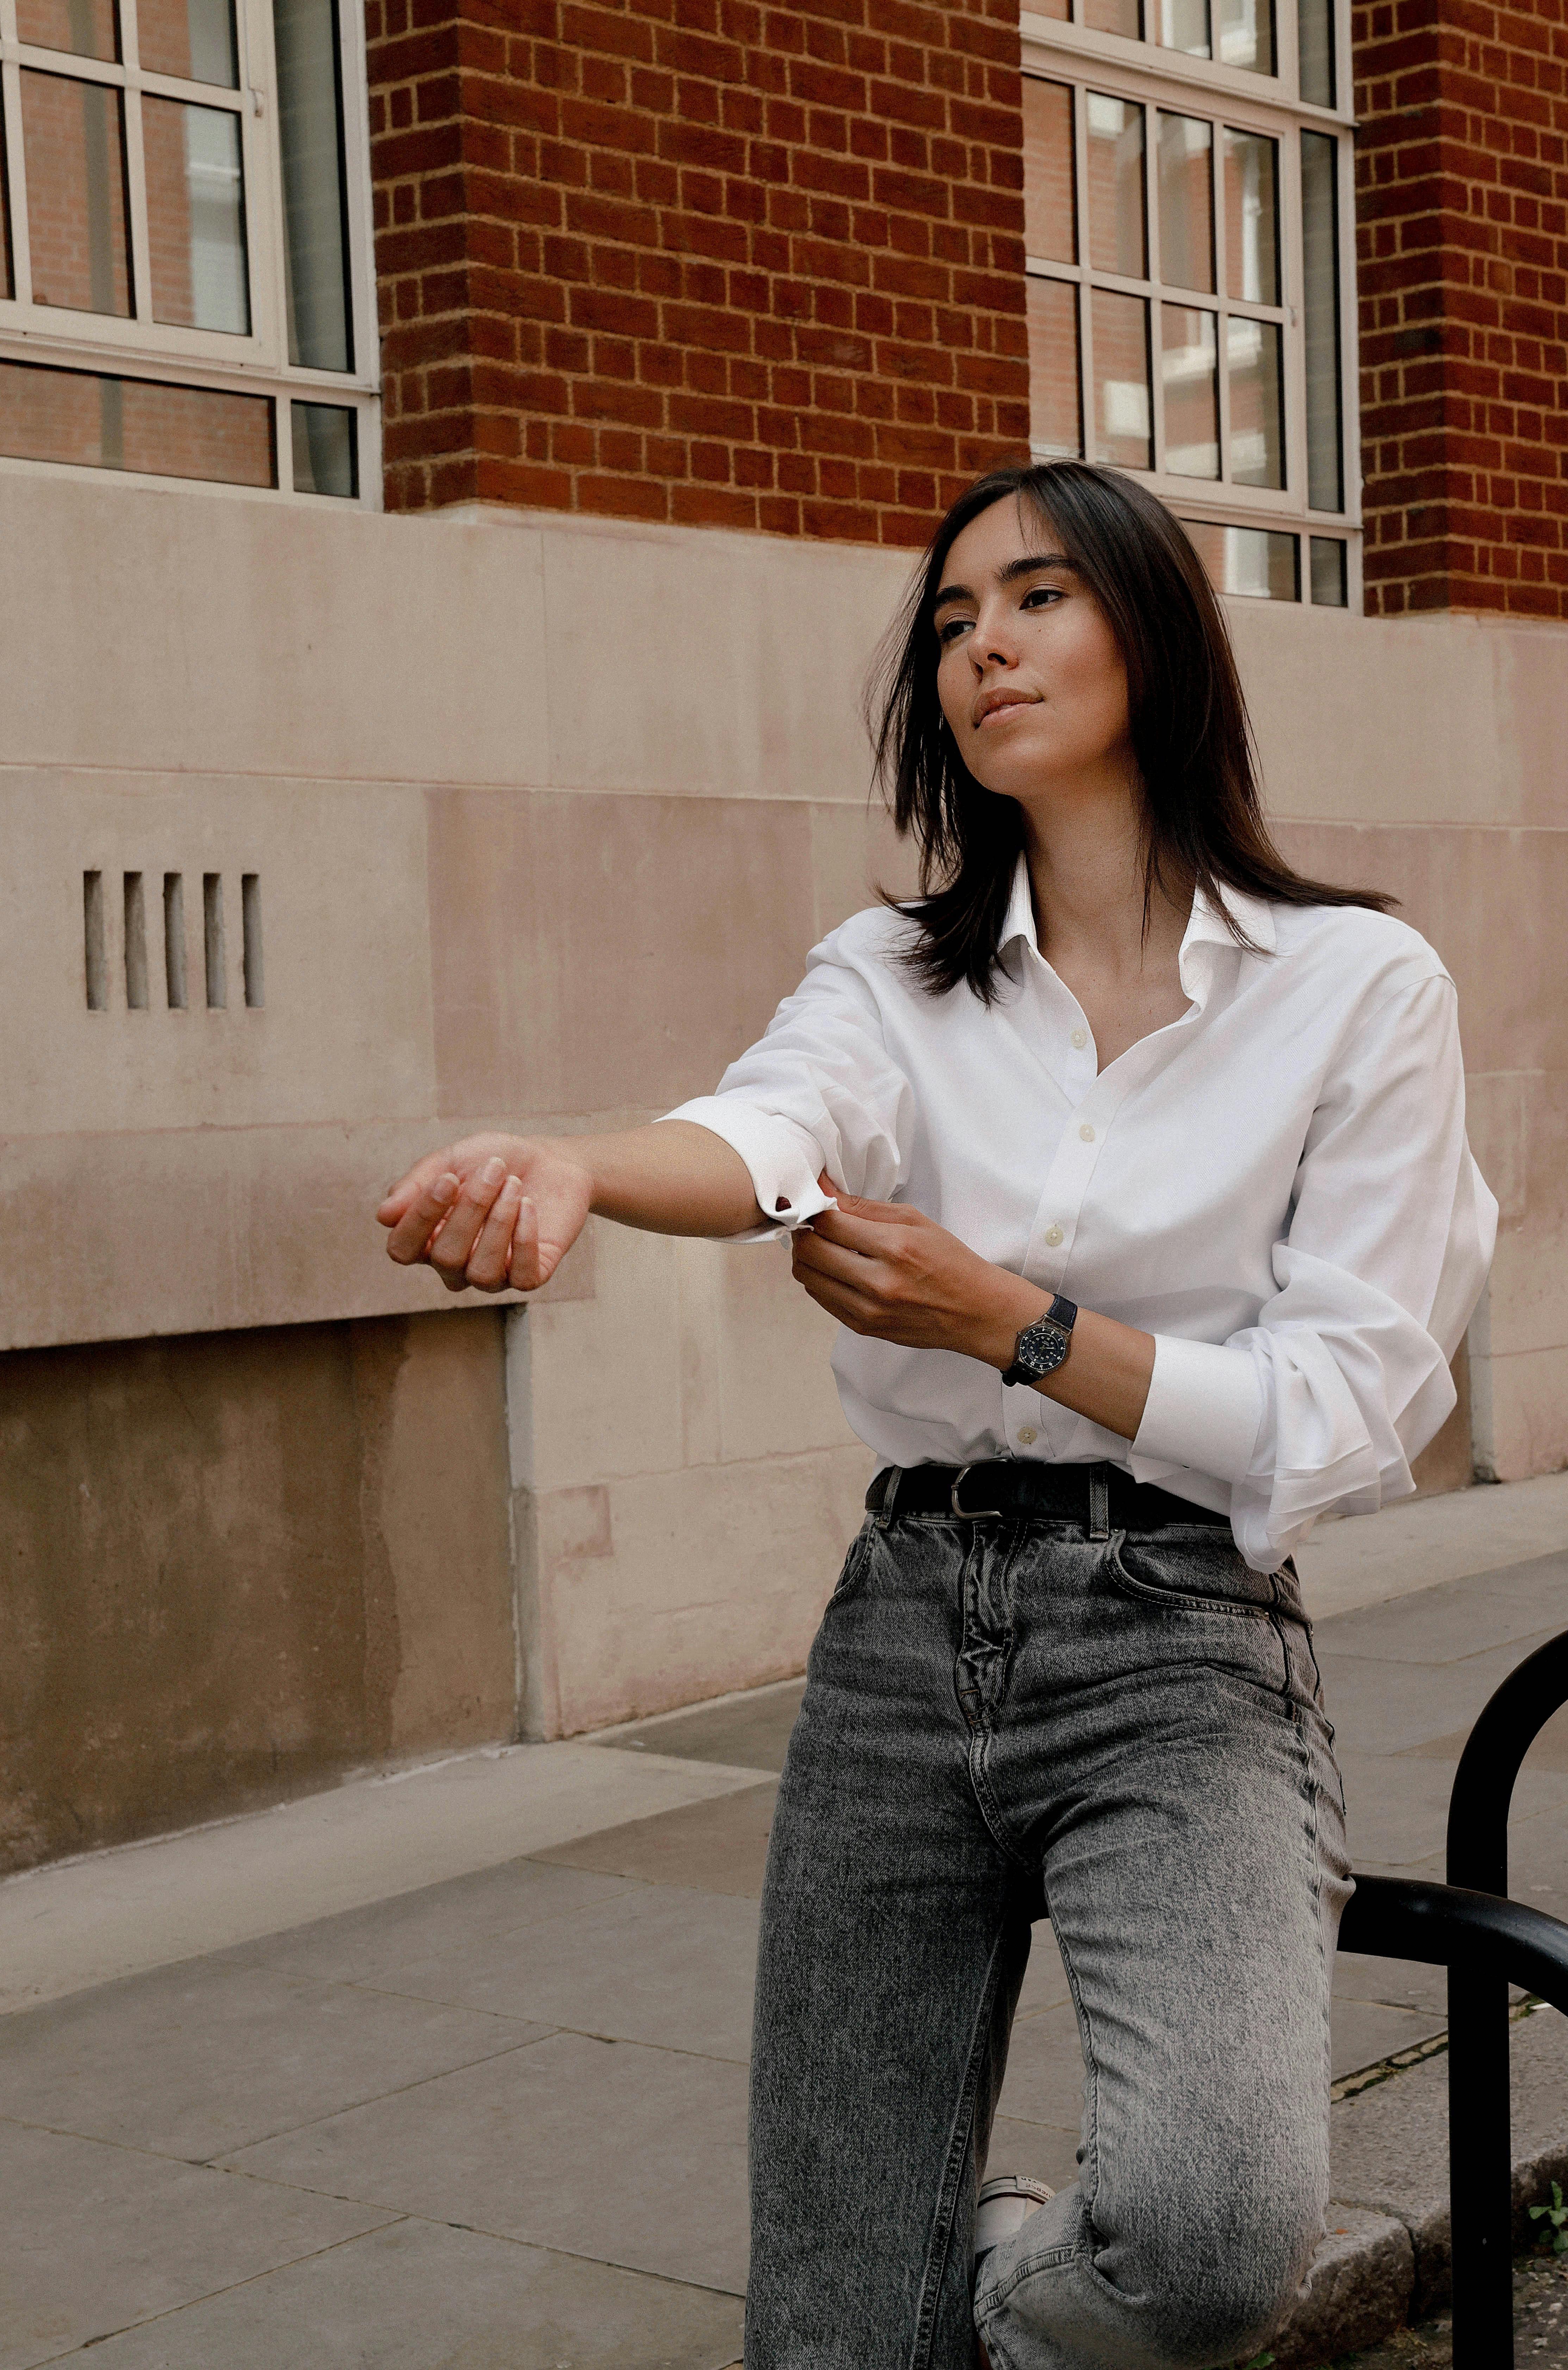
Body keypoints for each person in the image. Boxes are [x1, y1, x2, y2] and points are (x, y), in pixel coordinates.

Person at [377, 460, 1496, 2370]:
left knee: (1211, 2246)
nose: (984, 643)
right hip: (902, 1634)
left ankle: (975, 2273)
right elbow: (768, 1134)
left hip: (1183, 1642)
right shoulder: (892, 975)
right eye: (955, 618)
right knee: (831, 2336)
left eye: (1039, 597)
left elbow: (1344, 1408)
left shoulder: (1355, 987)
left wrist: (1021, 1327)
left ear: (1156, 630)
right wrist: (570, 1160)